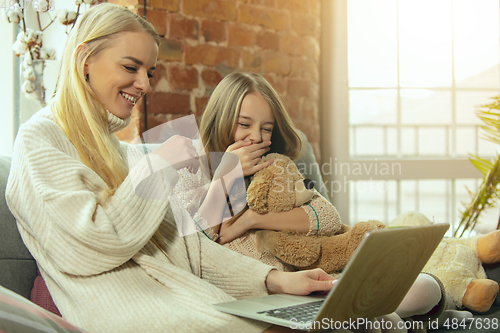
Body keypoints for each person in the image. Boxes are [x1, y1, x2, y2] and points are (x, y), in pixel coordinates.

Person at [5, 4, 343, 333]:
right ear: (85, 61)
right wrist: (165, 164)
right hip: (128, 309)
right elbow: (85, 248)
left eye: (149, 72)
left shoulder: (127, 155)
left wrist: (275, 280)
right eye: (130, 67)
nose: (145, 85)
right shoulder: (40, 138)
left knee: (350, 320)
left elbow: (189, 249)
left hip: (187, 296)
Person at [173, 72, 451, 332]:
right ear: (219, 119)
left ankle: (443, 309)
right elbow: (195, 246)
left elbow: (326, 215)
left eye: (266, 129)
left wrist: (253, 219)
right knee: (383, 316)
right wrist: (226, 174)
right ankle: (433, 317)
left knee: (420, 289)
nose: (256, 137)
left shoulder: (276, 169)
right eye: (244, 124)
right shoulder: (191, 179)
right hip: (268, 296)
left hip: (316, 281)